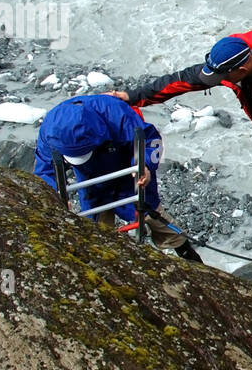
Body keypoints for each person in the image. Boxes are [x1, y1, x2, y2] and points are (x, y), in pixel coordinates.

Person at [110, 30, 252, 286]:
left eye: (223, 77)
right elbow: (182, 80)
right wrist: (133, 96)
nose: (218, 81)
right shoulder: (231, 68)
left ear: (242, 68)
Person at [34, 94, 202, 262]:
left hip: (128, 171)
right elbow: (44, 170)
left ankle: (187, 254)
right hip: (90, 182)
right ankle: (102, 263)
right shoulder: (50, 132)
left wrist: (144, 166)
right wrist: (52, 195)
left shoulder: (114, 112)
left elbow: (150, 140)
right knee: (94, 231)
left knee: (152, 213)